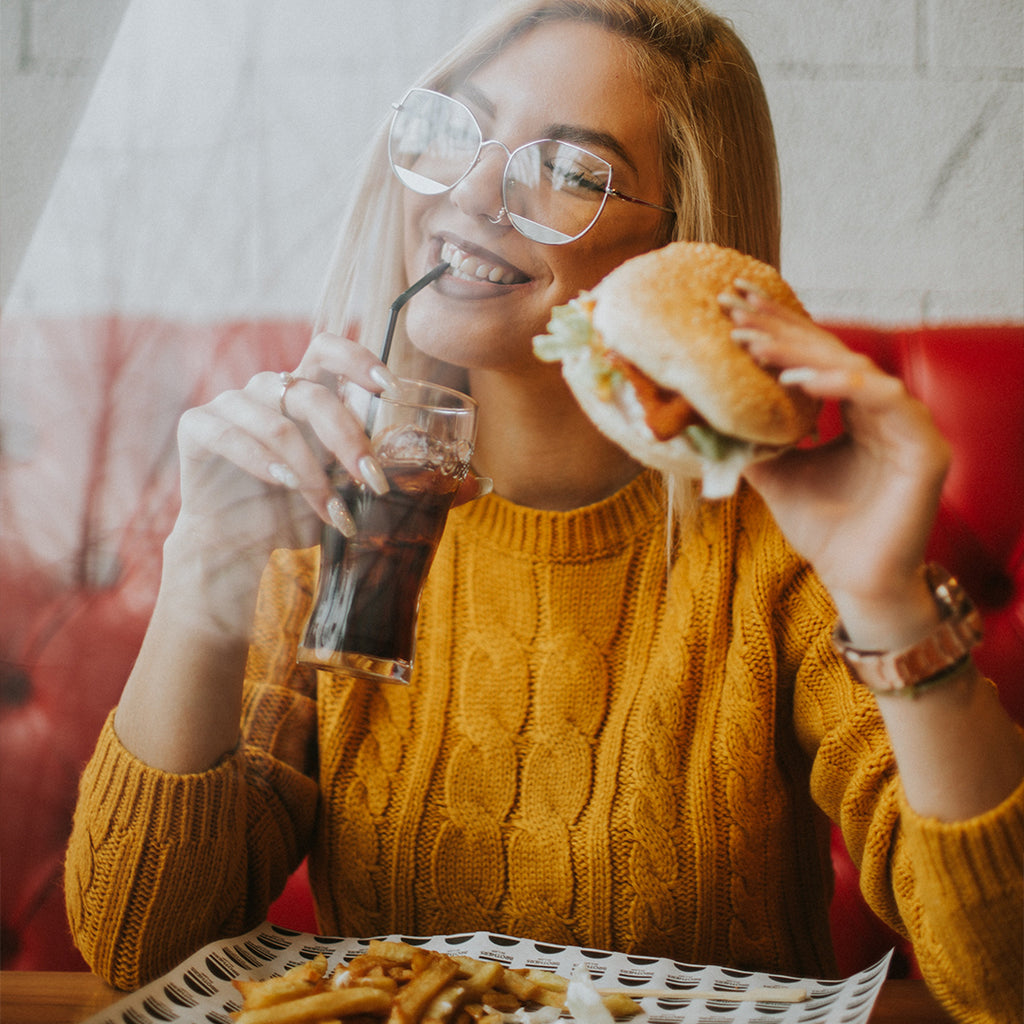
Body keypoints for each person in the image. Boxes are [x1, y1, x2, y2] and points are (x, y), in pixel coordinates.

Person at [65, 2, 1023, 1021]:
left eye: (568, 170)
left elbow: (1001, 975)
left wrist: (889, 603)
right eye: (458, 131)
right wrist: (206, 564)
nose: (472, 192)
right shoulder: (327, 505)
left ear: (679, 241)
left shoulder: (780, 546)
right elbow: (138, 942)